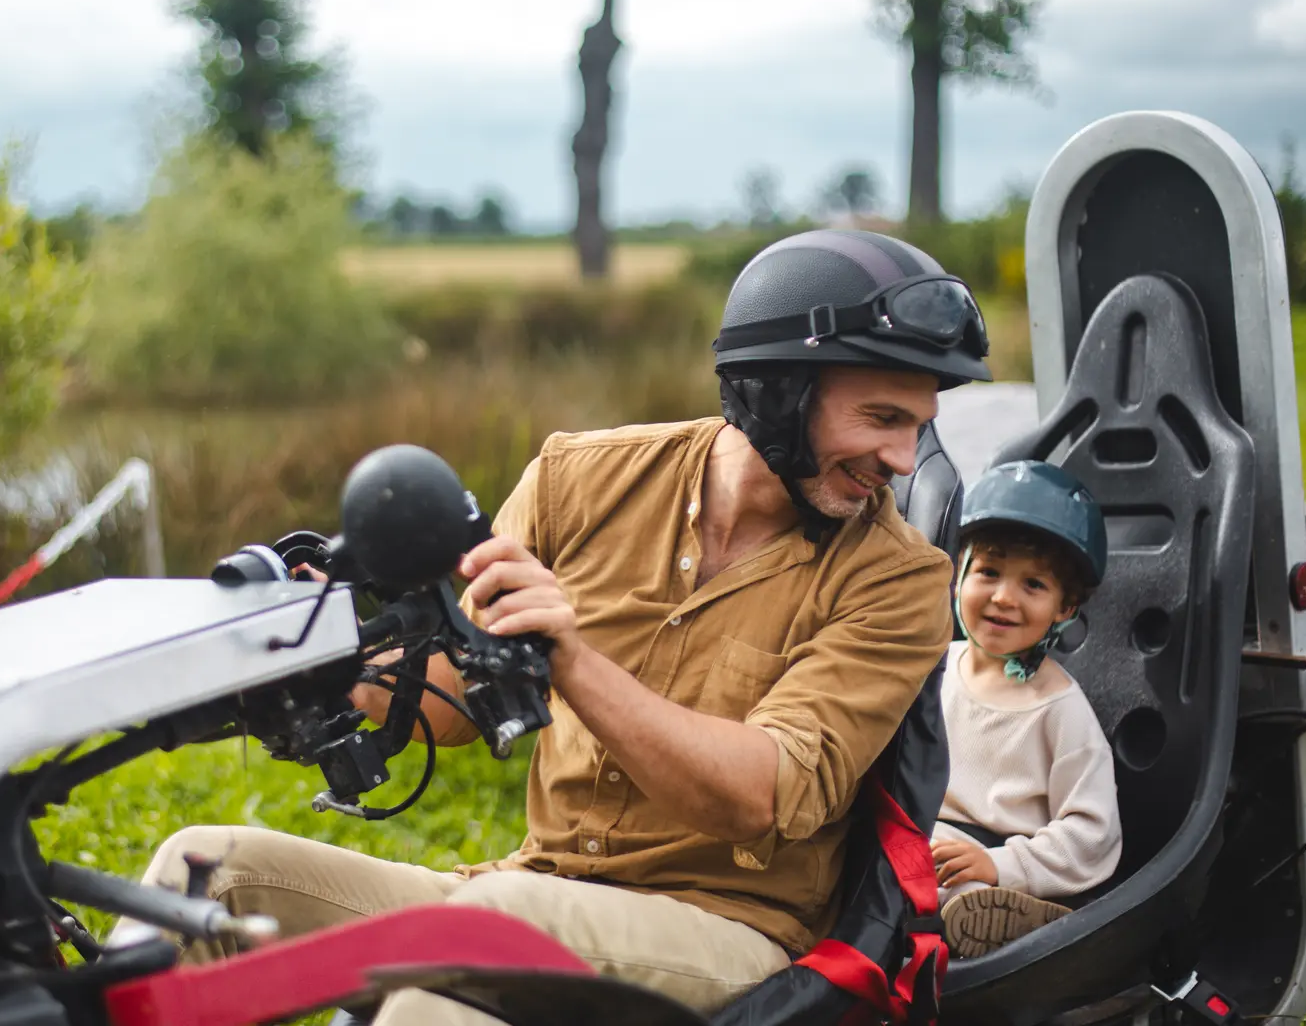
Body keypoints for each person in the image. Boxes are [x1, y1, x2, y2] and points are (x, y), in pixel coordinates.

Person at [106, 229, 995, 1024]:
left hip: (728, 938)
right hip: (525, 894)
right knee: (206, 870)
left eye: (918, 426)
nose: (903, 460)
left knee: (448, 979)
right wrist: (322, 659)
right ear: (776, 389)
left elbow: (753, 800)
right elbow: (450, 703)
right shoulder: (580, 478)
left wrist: (570, 658)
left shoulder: (900, 579)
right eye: (881, 418)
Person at [929, 459, 1122, 959]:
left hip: (991, 865)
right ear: (958, 577)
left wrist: (1000, 865)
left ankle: (1030, 936)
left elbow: (1092, 834)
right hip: (918, 843)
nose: (1003, 597)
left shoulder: (1059, 710)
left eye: (1033, 585)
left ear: (1065, 608)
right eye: (988, 572)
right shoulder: (933, 671)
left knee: (965, 904)